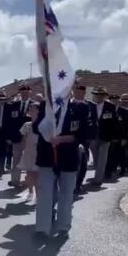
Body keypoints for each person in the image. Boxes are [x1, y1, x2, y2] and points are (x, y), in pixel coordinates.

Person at [34, 96, 89, 239]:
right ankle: (42, 228)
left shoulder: (80, 108)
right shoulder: (46, 105)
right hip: (46, 156)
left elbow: (84, 134)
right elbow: (36, 128)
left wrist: (62, 139)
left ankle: (63, 226)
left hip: (69, 158)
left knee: (66, 193)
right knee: (45, 193)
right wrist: (42, 122)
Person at [88, 87, 118, 187]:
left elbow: (114, 122)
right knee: (96, 158)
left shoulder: (110, 106)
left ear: (105, 96)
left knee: (102, 158)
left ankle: (98, 180)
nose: (99, 96)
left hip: (106, 136)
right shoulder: (91, 106)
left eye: (101, 95)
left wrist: (113, 136)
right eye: (97, 95)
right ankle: (99, 172)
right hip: (94, 136)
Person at [4, 85, 32, 187]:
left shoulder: (35, 105)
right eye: (22, 92)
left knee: (30, 161)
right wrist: (8, 136)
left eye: (26, 91)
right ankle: (15, 181)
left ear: (30, 92)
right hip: (16, 138)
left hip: (30, 139)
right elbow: (9, 122)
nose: (24, 93)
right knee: (16, 160)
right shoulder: (14, 105)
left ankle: (29, 182)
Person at [72, 85, 96, 195]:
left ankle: (78, 185)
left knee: (83, 164)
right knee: (73, 163)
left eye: (80, 92)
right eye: (76, 92)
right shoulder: (69, 105)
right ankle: (71, 185)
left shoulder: (91, 106)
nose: (78, 94)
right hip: (71, 138)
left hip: (85, 139)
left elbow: (94, 123)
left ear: (84, 93)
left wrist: (91, 137)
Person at [18, 102, 40, 202]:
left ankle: (38, 195)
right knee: (29, 174)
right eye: (29, 109)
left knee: (37, 175)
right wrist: (23, 149)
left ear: (38, 110)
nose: (30, 111)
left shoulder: (41, 125)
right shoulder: (27, 125)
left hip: (38, 153)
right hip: (28, 152)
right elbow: (23, 139)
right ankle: (30, 191)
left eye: (33, 108)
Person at [105, 94, 122, 180]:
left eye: (116, 101)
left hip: (118, 137)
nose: (114, 102)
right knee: (108, 156)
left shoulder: (121, 111)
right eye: (113, 100)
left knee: (115, 155)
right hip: (108, 136)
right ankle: (107, 172)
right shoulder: (107, 110)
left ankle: (112, 170)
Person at [0, 92, 10, 177]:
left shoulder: (9, 108)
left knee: (4, 151)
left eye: (2, 99)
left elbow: (11, 123)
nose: (0, 101)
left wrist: (9, 136)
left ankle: (1, 169)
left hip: (5, 132)